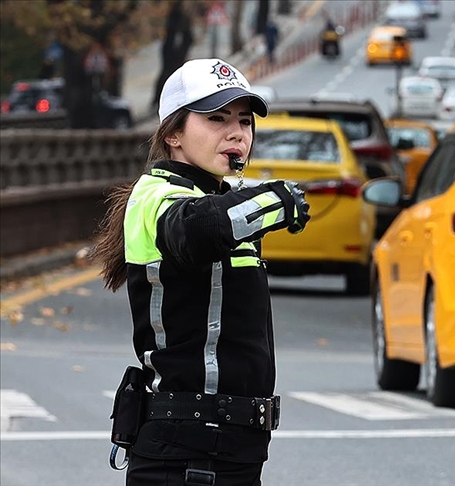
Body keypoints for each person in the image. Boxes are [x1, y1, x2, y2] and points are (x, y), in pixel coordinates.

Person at [90, 58, 310, 485]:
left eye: (245, 122)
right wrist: (275, 200)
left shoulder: (221, 196)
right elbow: (197, 228)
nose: (236, 133)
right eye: (216, 118)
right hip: (186, 453)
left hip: (234, 450)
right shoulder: (155, 195)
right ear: (173, 133)